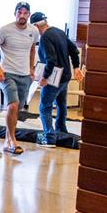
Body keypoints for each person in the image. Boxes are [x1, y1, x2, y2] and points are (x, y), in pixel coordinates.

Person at [0, 1, 39, 154]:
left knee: (18, 108)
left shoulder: (33, 31)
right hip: (7, 73)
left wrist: (31, 69)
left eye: (25, 13)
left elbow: (31, 50)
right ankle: (11, 141)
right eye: (19, 12)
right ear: (15, 13)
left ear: (29, 15)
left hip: (24, 75)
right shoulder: (5, 30)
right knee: (13, 105)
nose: (22, 15)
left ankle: (7, 138)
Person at [30, 11, 84, 148]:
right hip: (66, 76)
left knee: (44, 107)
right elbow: (74, 50)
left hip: (54, 78)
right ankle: (61, 130)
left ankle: (49, 137)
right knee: (61, 104)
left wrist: (44, 77)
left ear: (36, 26)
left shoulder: (45, 38)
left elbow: (51, 60)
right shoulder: (59, 32)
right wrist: (76, 67)